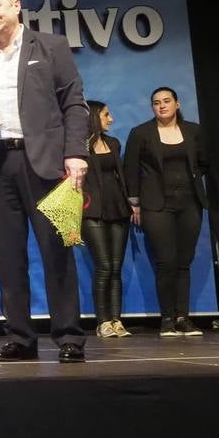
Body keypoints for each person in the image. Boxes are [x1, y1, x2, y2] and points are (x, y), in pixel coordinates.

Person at [0, 0, 88, 363]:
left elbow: (73, 102)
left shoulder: (50, 46)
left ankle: (69, 336)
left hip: (46, 164)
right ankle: (20, 337)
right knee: (7, 257)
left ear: (16, 5)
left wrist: (75, 153)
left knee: (57, 252)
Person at [124, 87, 209, 337]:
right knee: (166, 261)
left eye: (166, 101)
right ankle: (167, 320)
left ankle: (183, 317)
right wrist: (135, 202)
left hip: (189, 204)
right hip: (156, 205)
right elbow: (130, 169)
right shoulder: (141, 133)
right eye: (156, 103)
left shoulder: (193, 131)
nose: (161, 106)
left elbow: (204, 162)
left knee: (184, 262)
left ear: (177, 104)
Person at [83, 101, 132, 338]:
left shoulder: (113, 143)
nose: (110, 119)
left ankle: (116, 320)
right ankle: (102, 321)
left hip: (118, 209)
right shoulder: (80, 146)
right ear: (93, 116)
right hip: (92, 211)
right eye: (106, 115)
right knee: (103, 266)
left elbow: (120, 175)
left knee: (115, 267)